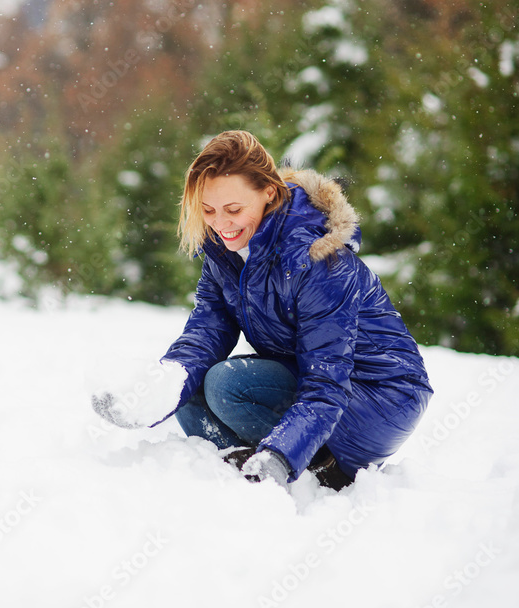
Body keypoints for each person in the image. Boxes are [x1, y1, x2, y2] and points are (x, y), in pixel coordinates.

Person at [92, 130, 433, 491]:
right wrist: (153, 394)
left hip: (379, 394)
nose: (220, 224)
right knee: (188, 392)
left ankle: (319, 467)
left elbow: (327, 380)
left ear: (269, 192)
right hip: (310, 374)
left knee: (227, 385)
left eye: (234, 209)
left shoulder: (317, 259)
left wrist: (281, 456)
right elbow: (206, 333)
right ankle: (245, 465)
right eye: (208, 210)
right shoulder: (224, 252)